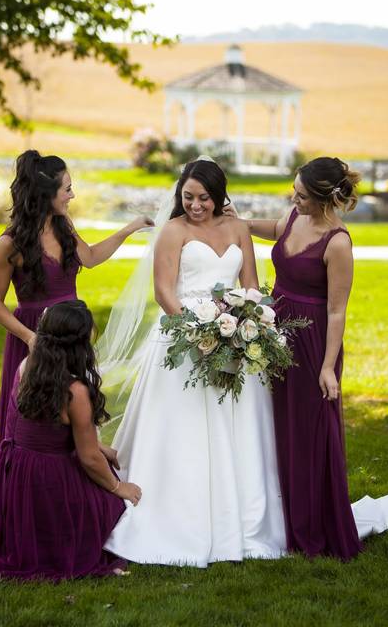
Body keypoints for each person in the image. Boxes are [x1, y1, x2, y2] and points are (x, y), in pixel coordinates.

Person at [100, 158, 288, 567]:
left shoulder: (239, 229)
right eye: (188, 197)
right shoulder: (173, 230)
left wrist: (245, 324)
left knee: (240, 427)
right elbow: (164, 292)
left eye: (204, 198)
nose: (195, 205)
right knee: (182, 432)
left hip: (237, 339)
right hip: (183, 341)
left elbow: (251, 286)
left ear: (220, 197)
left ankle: (245, 519)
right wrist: (197, 332)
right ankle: (180, 515)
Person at [240, 157, 388, 560]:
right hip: (276, 332)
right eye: (294, 192)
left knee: (310, 436)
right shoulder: (294, 216)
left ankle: (314, 526)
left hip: (313, 342)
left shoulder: (337, 243)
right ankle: (283, 516)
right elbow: (274, 230)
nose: (294, 199)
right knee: (279, 427)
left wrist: (328, 366)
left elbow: (336, 311)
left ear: (323, 196)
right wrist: (236, 222)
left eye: (301, 194)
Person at [0, 150, 151, 527]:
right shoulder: (10, 244)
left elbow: (88, 258)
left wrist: (128, 229)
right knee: (32, 423)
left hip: (72, 331)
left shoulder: (63, 224)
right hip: (35, 335)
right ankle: (19, 499)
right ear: (46, 193)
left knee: (75, 408)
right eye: (67, 189)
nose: (72, 195)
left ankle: (74, 490)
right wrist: (29, 337)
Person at [0, 300, 141, 580]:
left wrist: (98, 447)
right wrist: (118, 487)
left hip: (17, 474)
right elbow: (88, 458)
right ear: (80, 343)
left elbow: (45, 432)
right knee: (114, 507)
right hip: (48, 480)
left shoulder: (27, 366)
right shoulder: (75, 390)